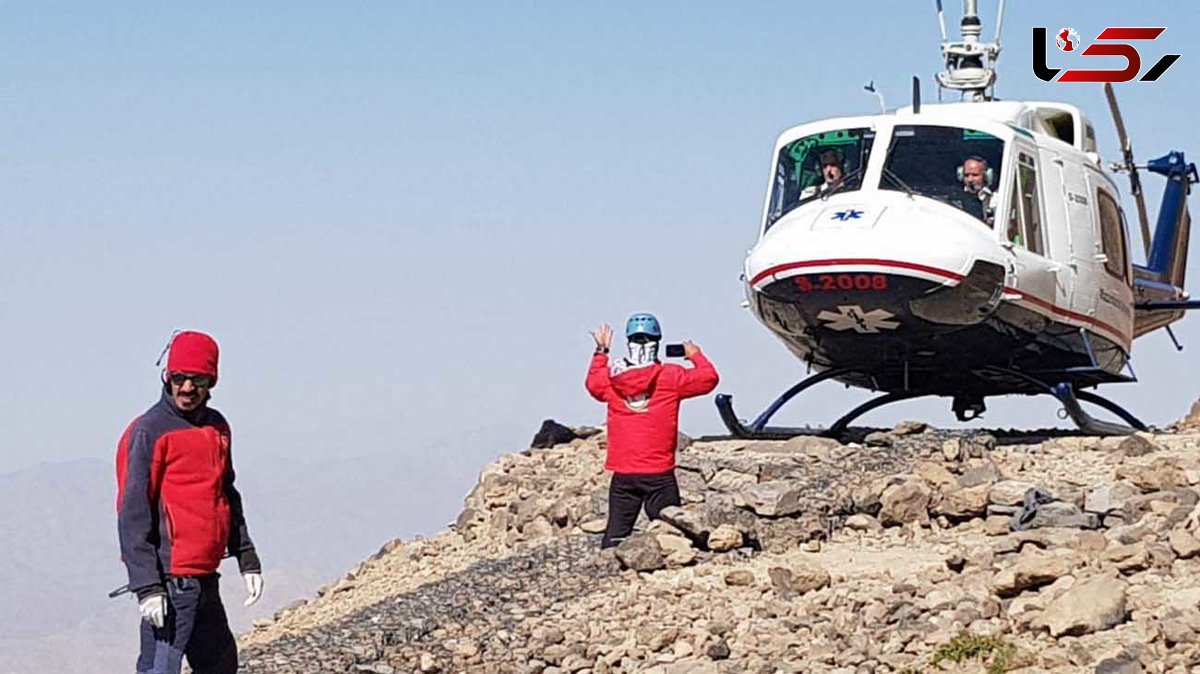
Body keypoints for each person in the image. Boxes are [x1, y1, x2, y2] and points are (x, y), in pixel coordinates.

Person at [116, 330, 263, 674]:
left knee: (220, 665)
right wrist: (147, 586)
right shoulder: (149, 431)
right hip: (170, 581)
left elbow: (225, 494)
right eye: (178, 377)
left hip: (206, 580)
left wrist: (246, 556)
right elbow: (132, 512)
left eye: (197, 379)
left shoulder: (217, 427)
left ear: (211, 381)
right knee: (160, 669)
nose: (186, 388)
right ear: (167, 376)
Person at [585, 313, 719, 548]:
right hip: (659, 473)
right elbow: (709, 378)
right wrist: (695, 355)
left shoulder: (609, 378)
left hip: (624, 472)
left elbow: (593, 385)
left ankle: (613, 574)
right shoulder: (671, 375)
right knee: (672, 535)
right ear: (657, 342)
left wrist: (601, 352)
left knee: (616, 535)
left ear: (629, 343)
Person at [959, 155, 994, 223]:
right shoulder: (956, 197)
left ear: (986, 176)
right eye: (966, 175)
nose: (970, 179)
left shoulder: (994, 199)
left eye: (975, 175)